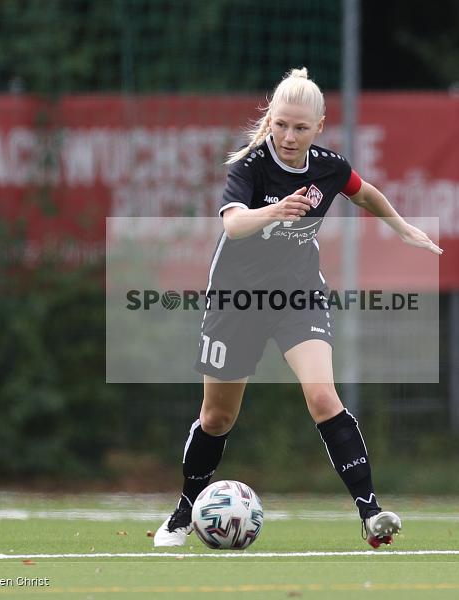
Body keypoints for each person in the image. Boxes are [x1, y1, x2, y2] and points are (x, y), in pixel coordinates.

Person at [154, 67, 441, 549]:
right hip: (236, 299)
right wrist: (275, 210)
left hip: (298, 294)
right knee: (217, 418)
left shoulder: (328, 167)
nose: (289, 136)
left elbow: (363, 192)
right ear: (270, 120)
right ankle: (185, 512)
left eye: (300, 128)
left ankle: (370, 513)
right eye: (281, 124)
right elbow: (233, 226)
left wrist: (402, 227)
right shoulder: (250, 165)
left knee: (323, 397)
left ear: (320, 127)